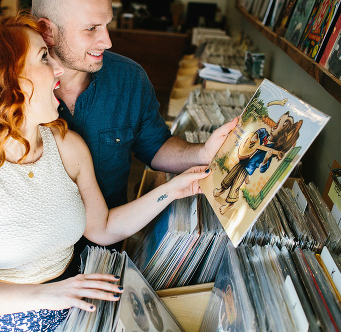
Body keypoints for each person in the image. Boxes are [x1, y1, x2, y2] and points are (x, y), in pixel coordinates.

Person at [0, 14, 208, 331]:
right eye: (44, 58)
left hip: (72, 311)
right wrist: (51, 294)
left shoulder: (67, 146)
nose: (59, 69)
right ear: (4, 79)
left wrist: (174, 190)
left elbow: (102, 227)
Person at [30, 0, 237, 256]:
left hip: (108, 246)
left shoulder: (129, 78)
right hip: (33, 261)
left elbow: (155, 145)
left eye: (107, 24)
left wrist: (204, 154)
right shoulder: (3, 95)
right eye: (92, 28)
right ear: (46, 30)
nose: (107, 41)